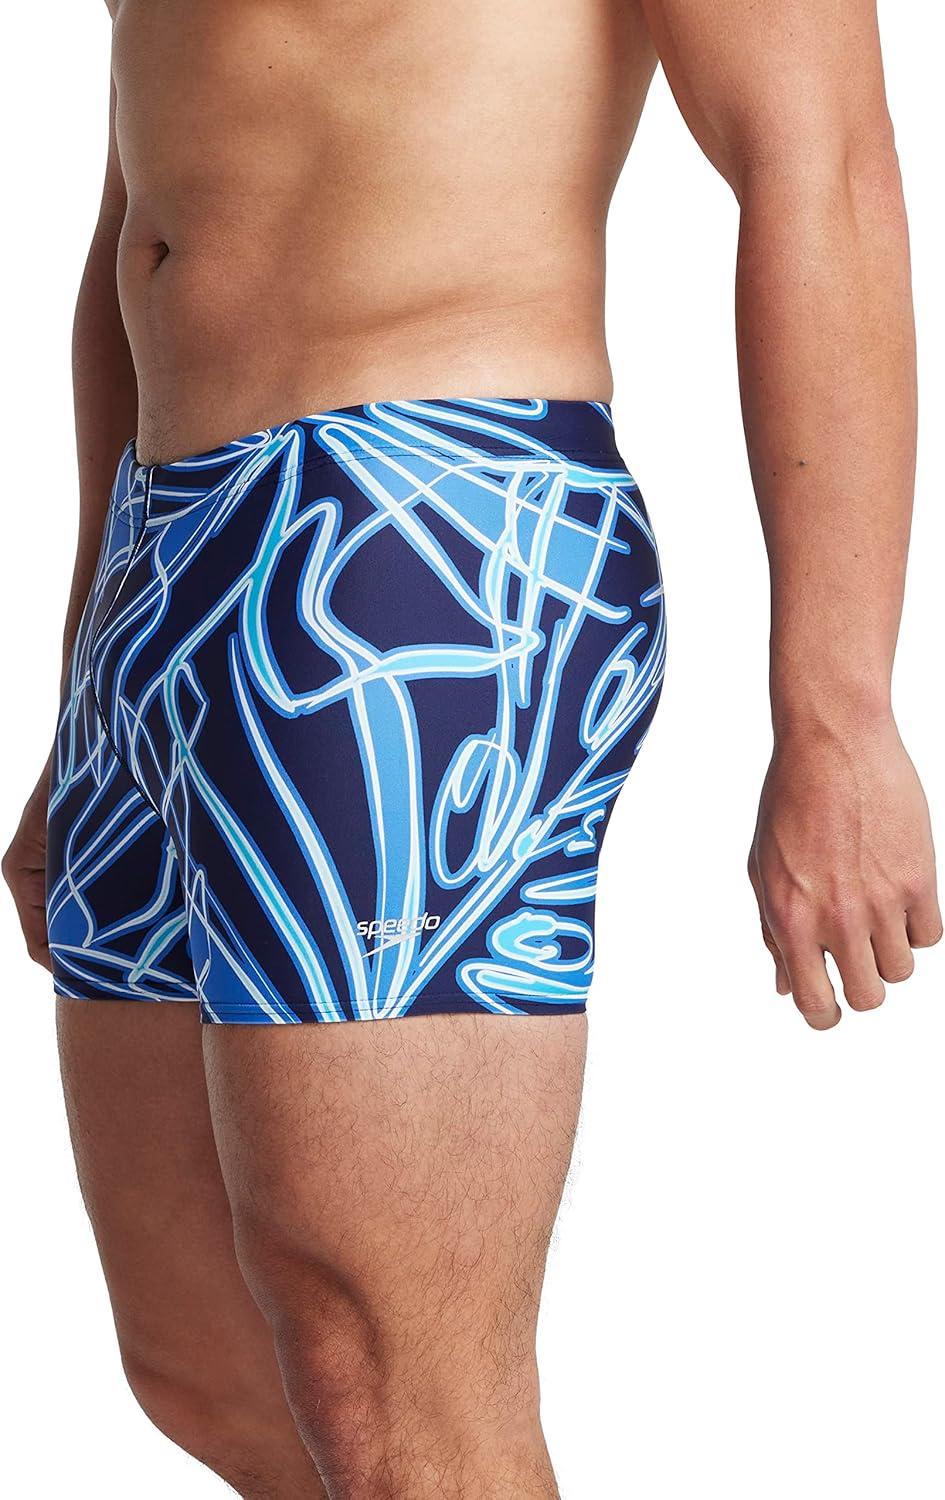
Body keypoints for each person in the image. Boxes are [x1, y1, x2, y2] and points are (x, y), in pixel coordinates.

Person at [4, 1, 941, 1495]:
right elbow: (145, 208)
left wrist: (840, 717)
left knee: (385, 1369)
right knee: (200, 1363)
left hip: (422, 533)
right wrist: (84, 688)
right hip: (167, 551)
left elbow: (816, 158)